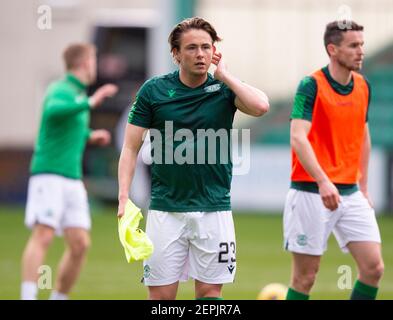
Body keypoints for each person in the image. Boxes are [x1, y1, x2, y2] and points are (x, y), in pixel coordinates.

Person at [117, 17, 269, 300]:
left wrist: (225, 75)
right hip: (165, 210)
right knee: (161, 298)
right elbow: (129, 148)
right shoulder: (154, 91)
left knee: (210, 296)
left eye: (206, 47)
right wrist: (124, 196)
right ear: (176, 54)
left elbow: (261, 106)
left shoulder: (225, 90)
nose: (200, 54)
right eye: (191, 48)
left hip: (215, 209)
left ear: (214, 51)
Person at [284, 21, 384, 300]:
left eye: (362, 44)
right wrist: (323, 181)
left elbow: (363, 136)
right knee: (305, 278)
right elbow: (298, 138)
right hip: (310, 192)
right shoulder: (310, 85)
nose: (361, 51)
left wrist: (363, 187)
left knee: (373, 268)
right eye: (353, 45)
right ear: (333, 49)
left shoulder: (363, 86)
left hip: (350, 193)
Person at [21, 43, 118, 300]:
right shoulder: (61, 89)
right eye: (94, 59)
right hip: (50, 174)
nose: (95, 65)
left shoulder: (77, 94)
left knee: (80, 244)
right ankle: (28, 296)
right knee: (44, 235)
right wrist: (89, 102)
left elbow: (66, 128)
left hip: (72, 178)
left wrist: (90, 135)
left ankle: (58, 297)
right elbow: (53, 111)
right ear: (85, 62)